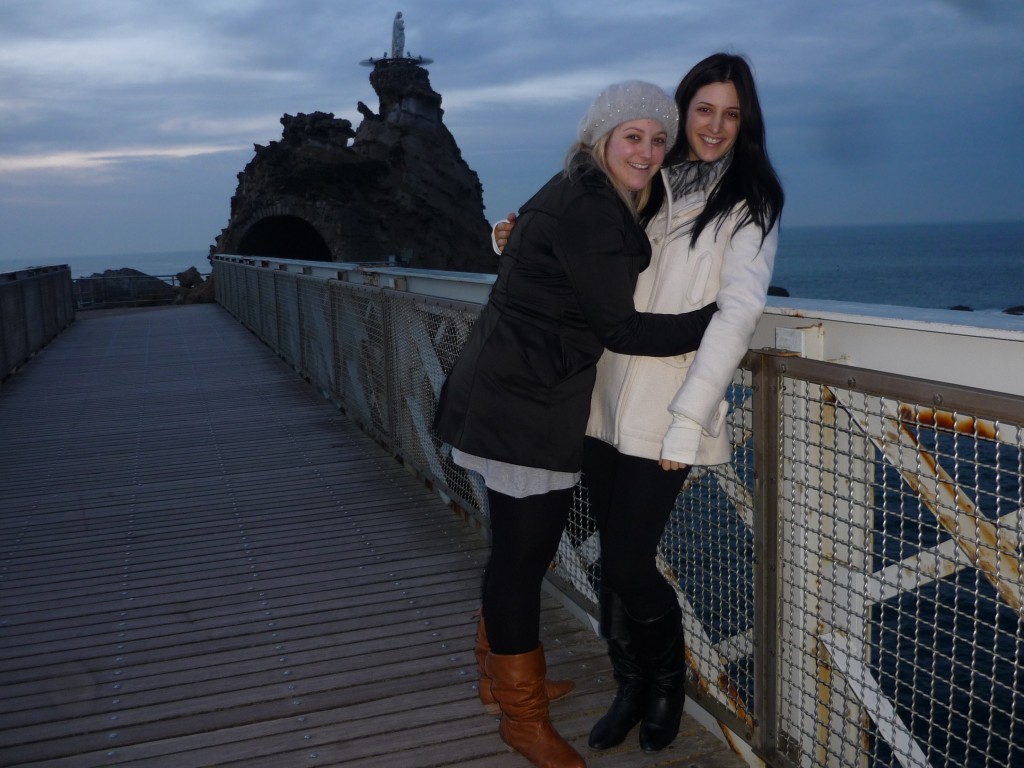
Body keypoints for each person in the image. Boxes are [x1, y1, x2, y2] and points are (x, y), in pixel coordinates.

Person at [493, 53, 784, 754]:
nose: (714, 126)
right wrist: (503, 238)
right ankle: (630, 684)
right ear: (682, 111)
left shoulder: (750, 203)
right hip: (599, 403)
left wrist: (689, 420)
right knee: (608, 557)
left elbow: (737, 315)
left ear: (747, 125)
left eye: (731, 114)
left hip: (667, 413)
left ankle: (664, 685)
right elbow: (576, 254)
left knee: (628, 561)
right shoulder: (648, 186)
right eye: (704, 110)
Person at [433, 80, 719, 768]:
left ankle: (500, 680)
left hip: (517, 390)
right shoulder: (591, 204)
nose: (647, 151)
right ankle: (522, 720)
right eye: (633, 137)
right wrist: (718, 320)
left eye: (658, 138)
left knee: (516, 555)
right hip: (524, 401)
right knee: (519, 561)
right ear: (602, 139)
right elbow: (620, 328)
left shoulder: (579, 185)